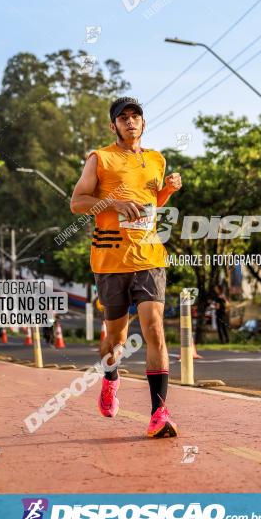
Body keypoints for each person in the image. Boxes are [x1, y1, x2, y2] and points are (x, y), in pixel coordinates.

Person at [70, 96, 182, 438]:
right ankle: (110, 377)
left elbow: (150, 205)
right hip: (110, 260)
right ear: (113, 126)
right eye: (123, 118)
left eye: (136, 116)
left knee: (154, 328)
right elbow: (77, 203)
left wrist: (168, 193)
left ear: (143, 123)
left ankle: (158, 413)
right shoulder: (100, 159)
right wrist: (114, 201)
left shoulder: (156, 160)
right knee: (116, 340)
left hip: (149, 257)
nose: (130, 121)